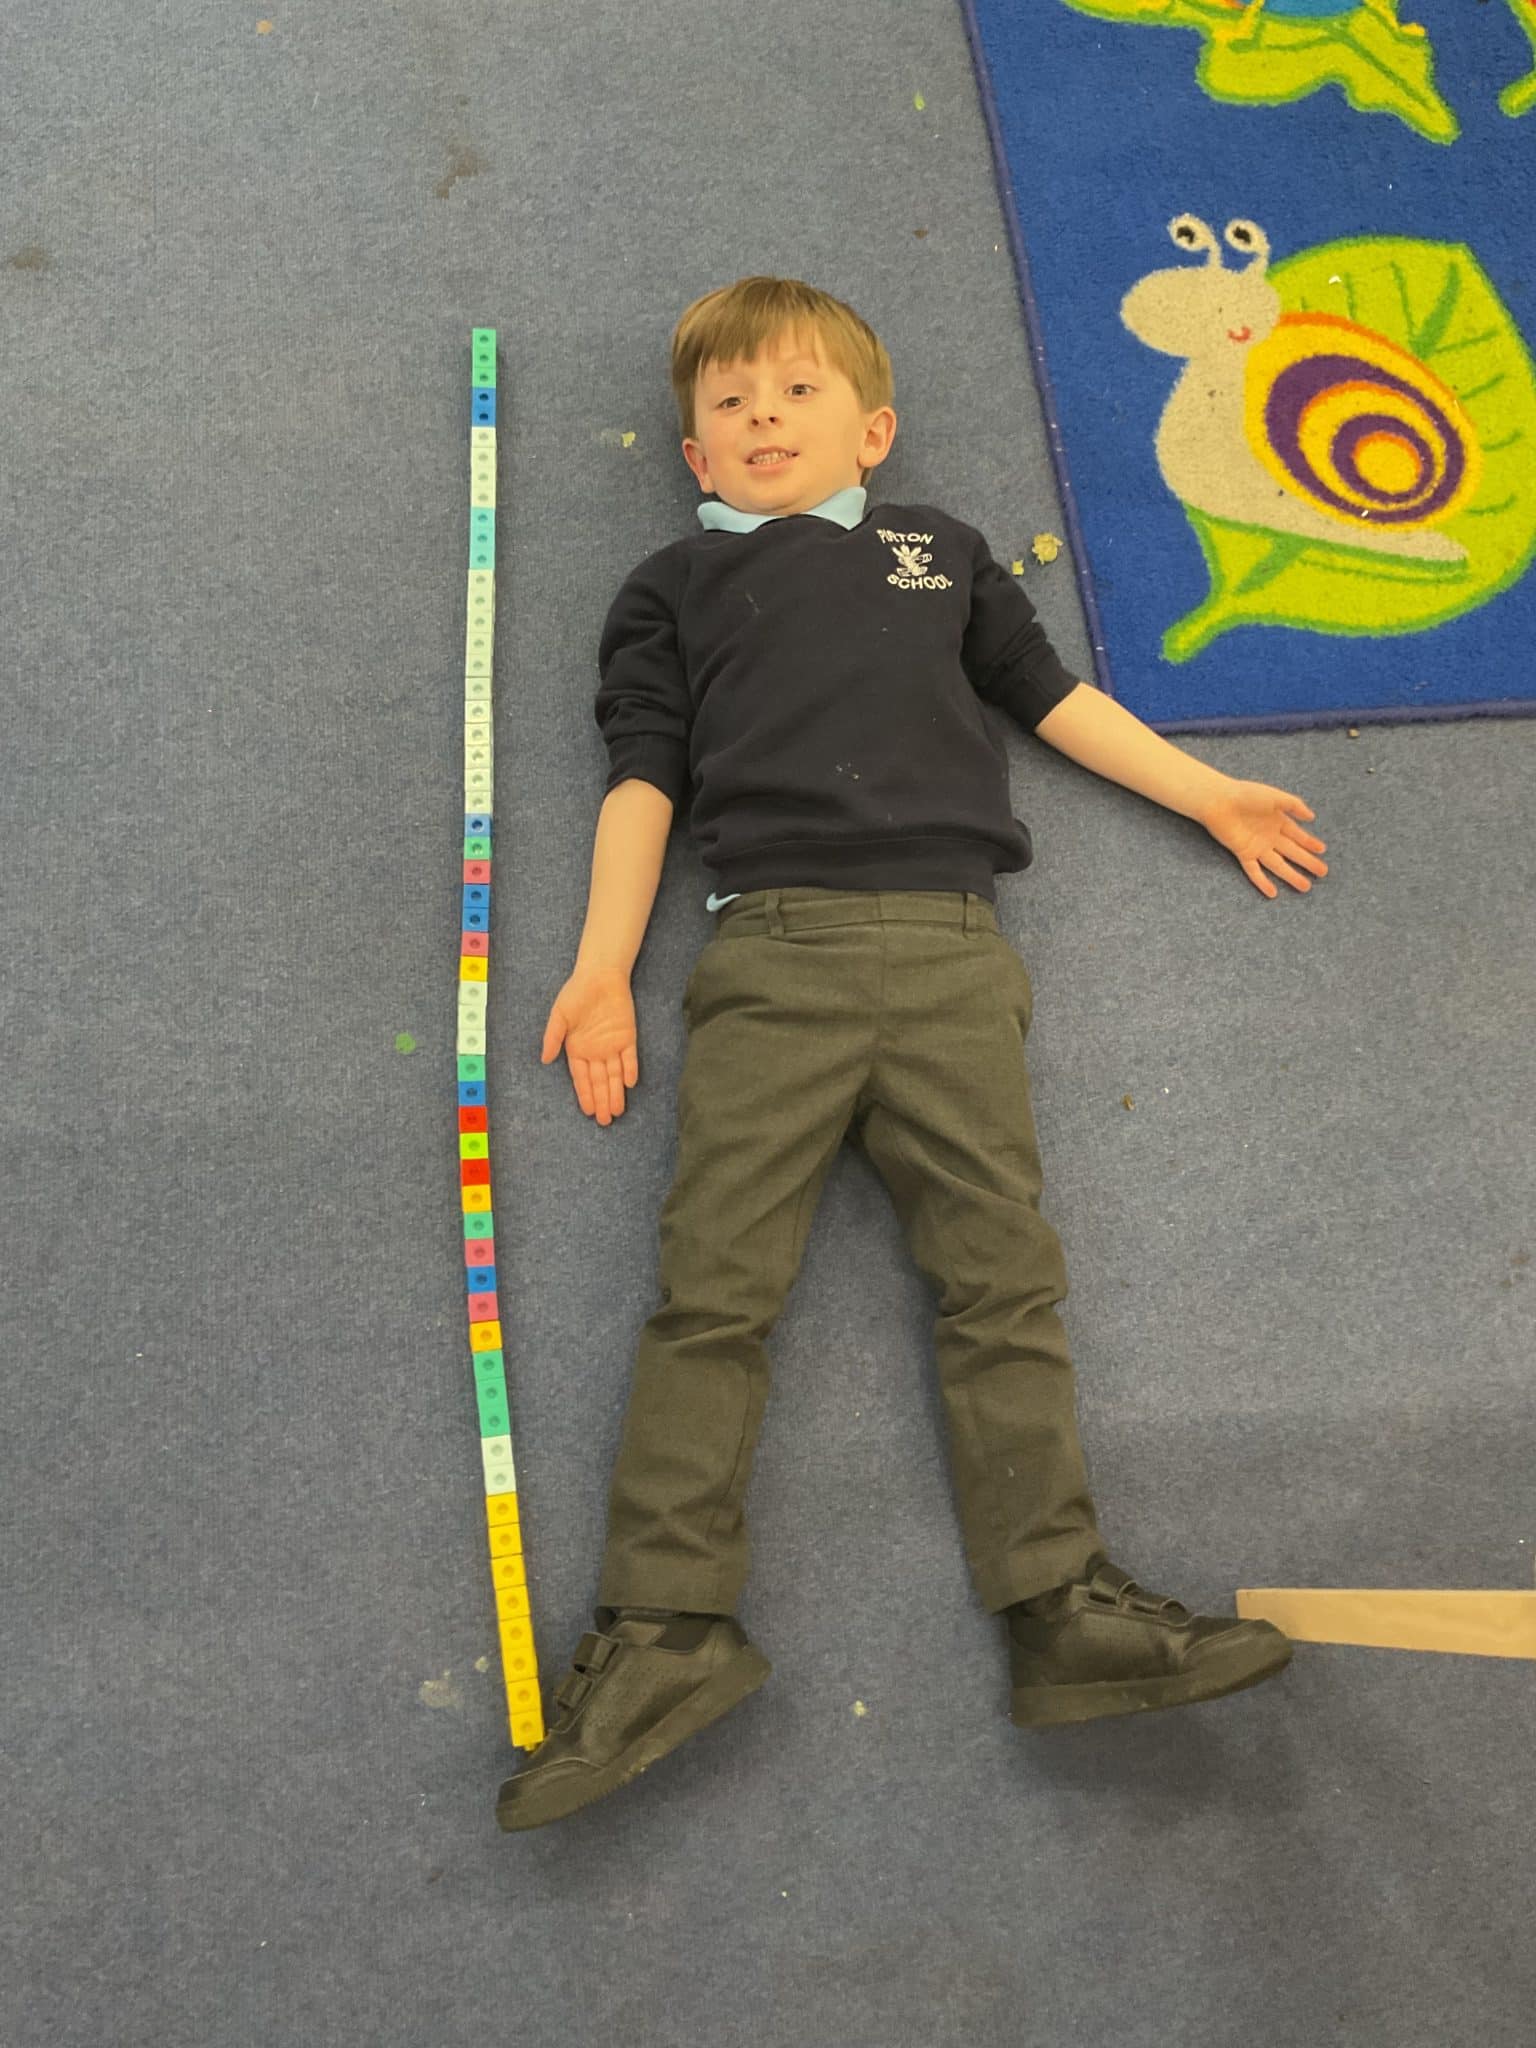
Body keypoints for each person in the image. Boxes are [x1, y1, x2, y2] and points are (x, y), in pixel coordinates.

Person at [496, 276, 1328, 1832]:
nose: (763, 418)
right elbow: (641, 781)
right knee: (712, 1293)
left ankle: (1061, 1607)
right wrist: (603, 968)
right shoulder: (670, 586)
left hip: (952, 955)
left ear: (871, 431)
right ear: (694, 455)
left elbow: (1055, 702)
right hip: (772, 961)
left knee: (1002, 1280)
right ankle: (667, 1629)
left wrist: (1207, 792)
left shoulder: (937, 551)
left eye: (797, 393)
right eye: (731, 405)